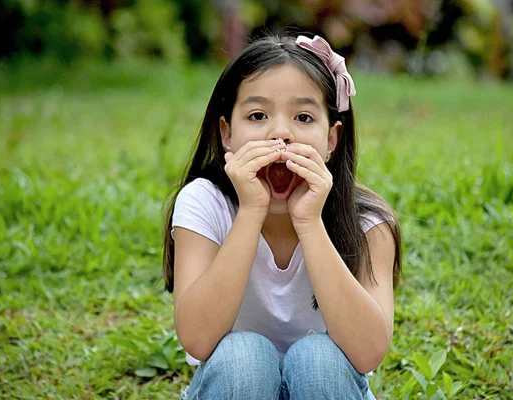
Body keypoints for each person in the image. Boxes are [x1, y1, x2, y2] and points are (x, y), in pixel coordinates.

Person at [162, 33, 402, 400]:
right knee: (246, 358)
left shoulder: (368, 222)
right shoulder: (203, 202)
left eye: (303, 117)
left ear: (332, 140)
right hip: (234, 385)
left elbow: (368, 352)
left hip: (327, 387)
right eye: (257, 116)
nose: (280, 134)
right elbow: (197, 339)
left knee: (318, 360)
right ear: (227, 134)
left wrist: (310, 223)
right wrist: (251, 212)